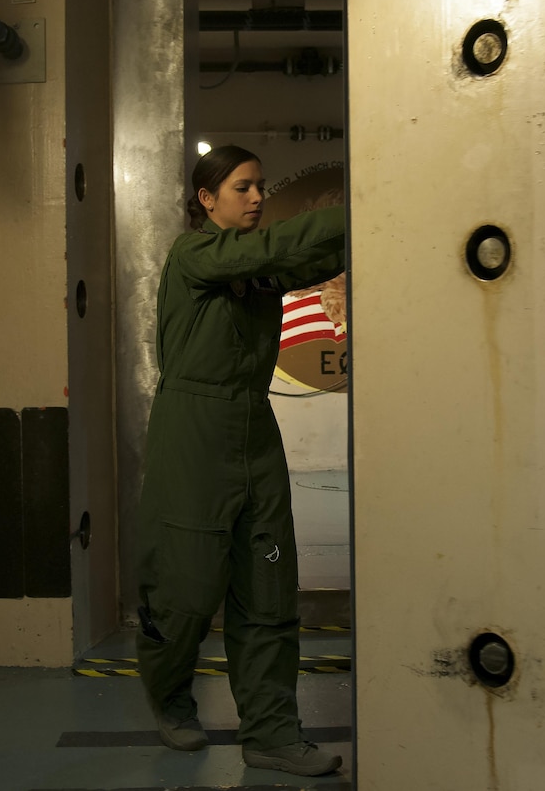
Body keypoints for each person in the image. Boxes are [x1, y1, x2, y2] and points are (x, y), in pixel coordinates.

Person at [134, 145, 346, 776]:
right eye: (244, 188)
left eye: (261, 187)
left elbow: (306, 259)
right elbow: (276, 251)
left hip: (254, 428)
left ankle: (272, 733)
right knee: (188, 586)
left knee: (268, 583)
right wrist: (352, 212)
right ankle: (170, 698)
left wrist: (377, 223)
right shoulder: (194, 253)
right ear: (207, 199)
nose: (257, 198)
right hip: (194, 431)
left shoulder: (257, 264)